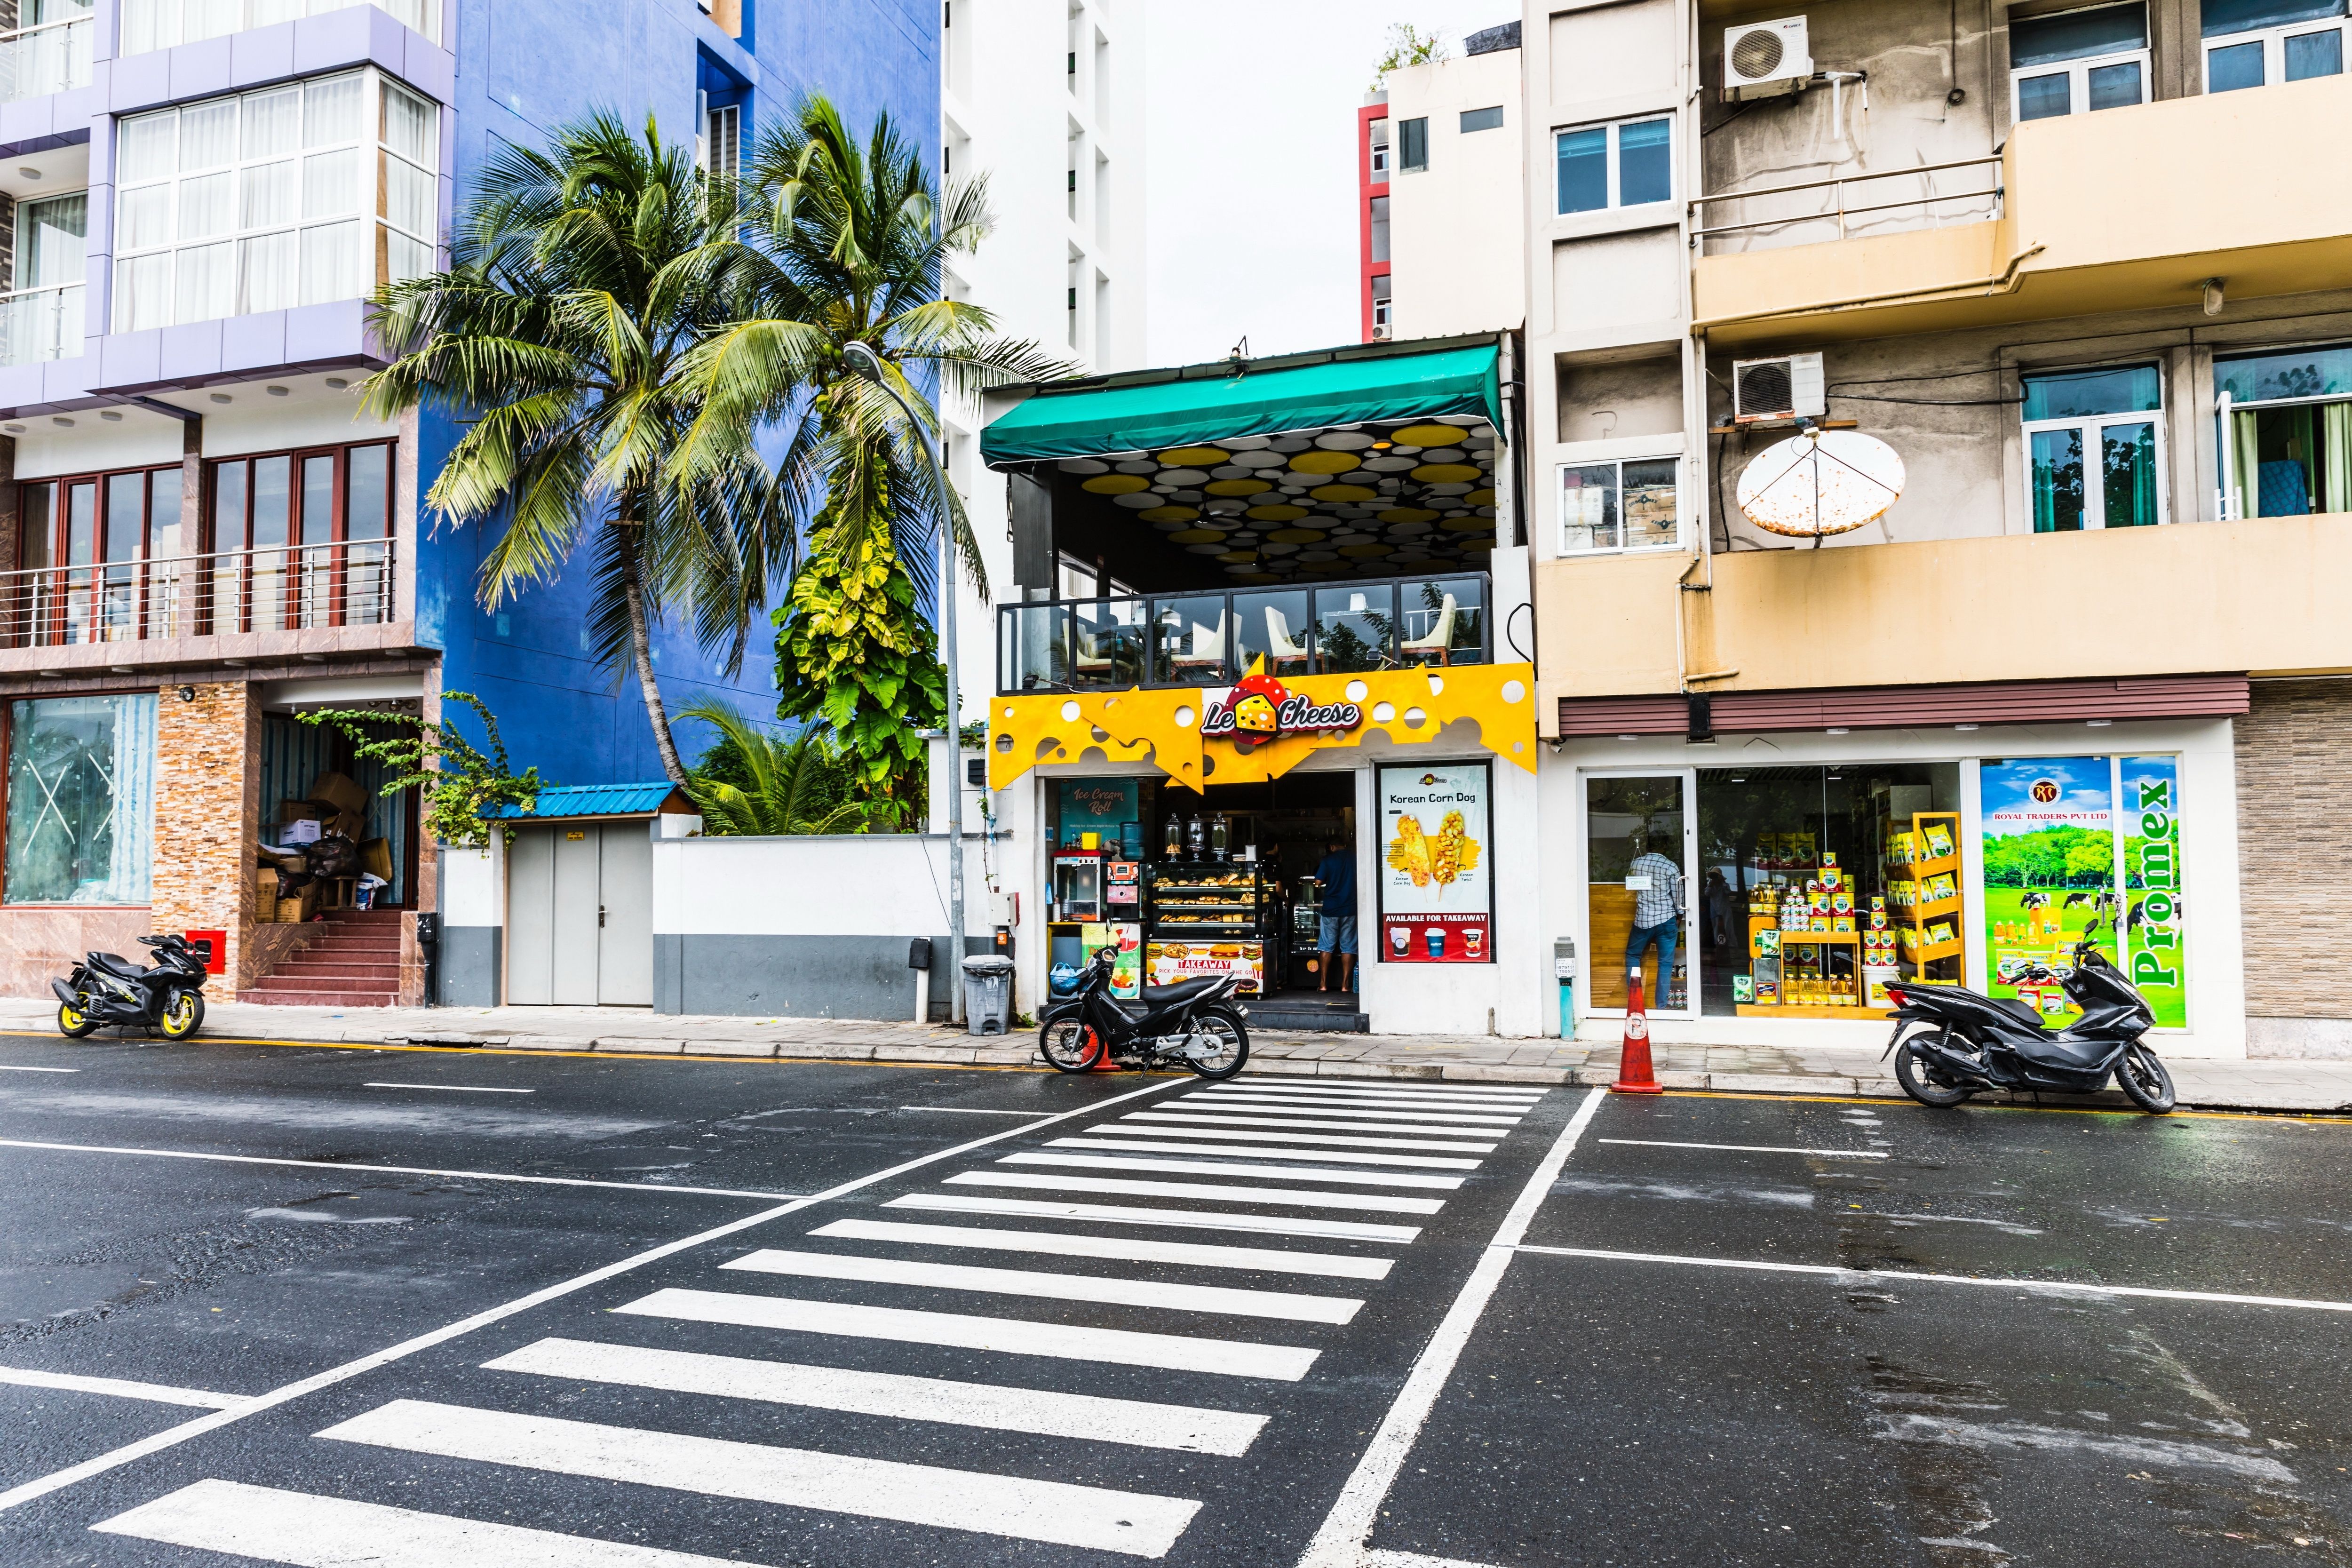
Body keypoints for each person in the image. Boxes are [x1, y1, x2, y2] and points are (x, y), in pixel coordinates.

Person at [1625, 830, 1684, 1007]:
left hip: (1642, 920)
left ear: (1648, 845)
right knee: (1665, 963)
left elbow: (1630, 889)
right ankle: (1662, 1006)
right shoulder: (1671, 867)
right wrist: (1679, 916)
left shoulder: (1636, 863)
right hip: (1666, 919)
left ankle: (1635, 1004)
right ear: (1665, 846)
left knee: (1632, 955)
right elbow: (1679, 899)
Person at [1314, 836, 1357, 993]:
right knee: (1348, 947)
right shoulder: (1355, 858)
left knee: (1326, 947)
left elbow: (1318, 882)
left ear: (1332, 847)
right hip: (1350, 910)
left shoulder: (1328, 860)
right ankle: (1345, 986)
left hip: (1331, 910)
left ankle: (1323, 985)